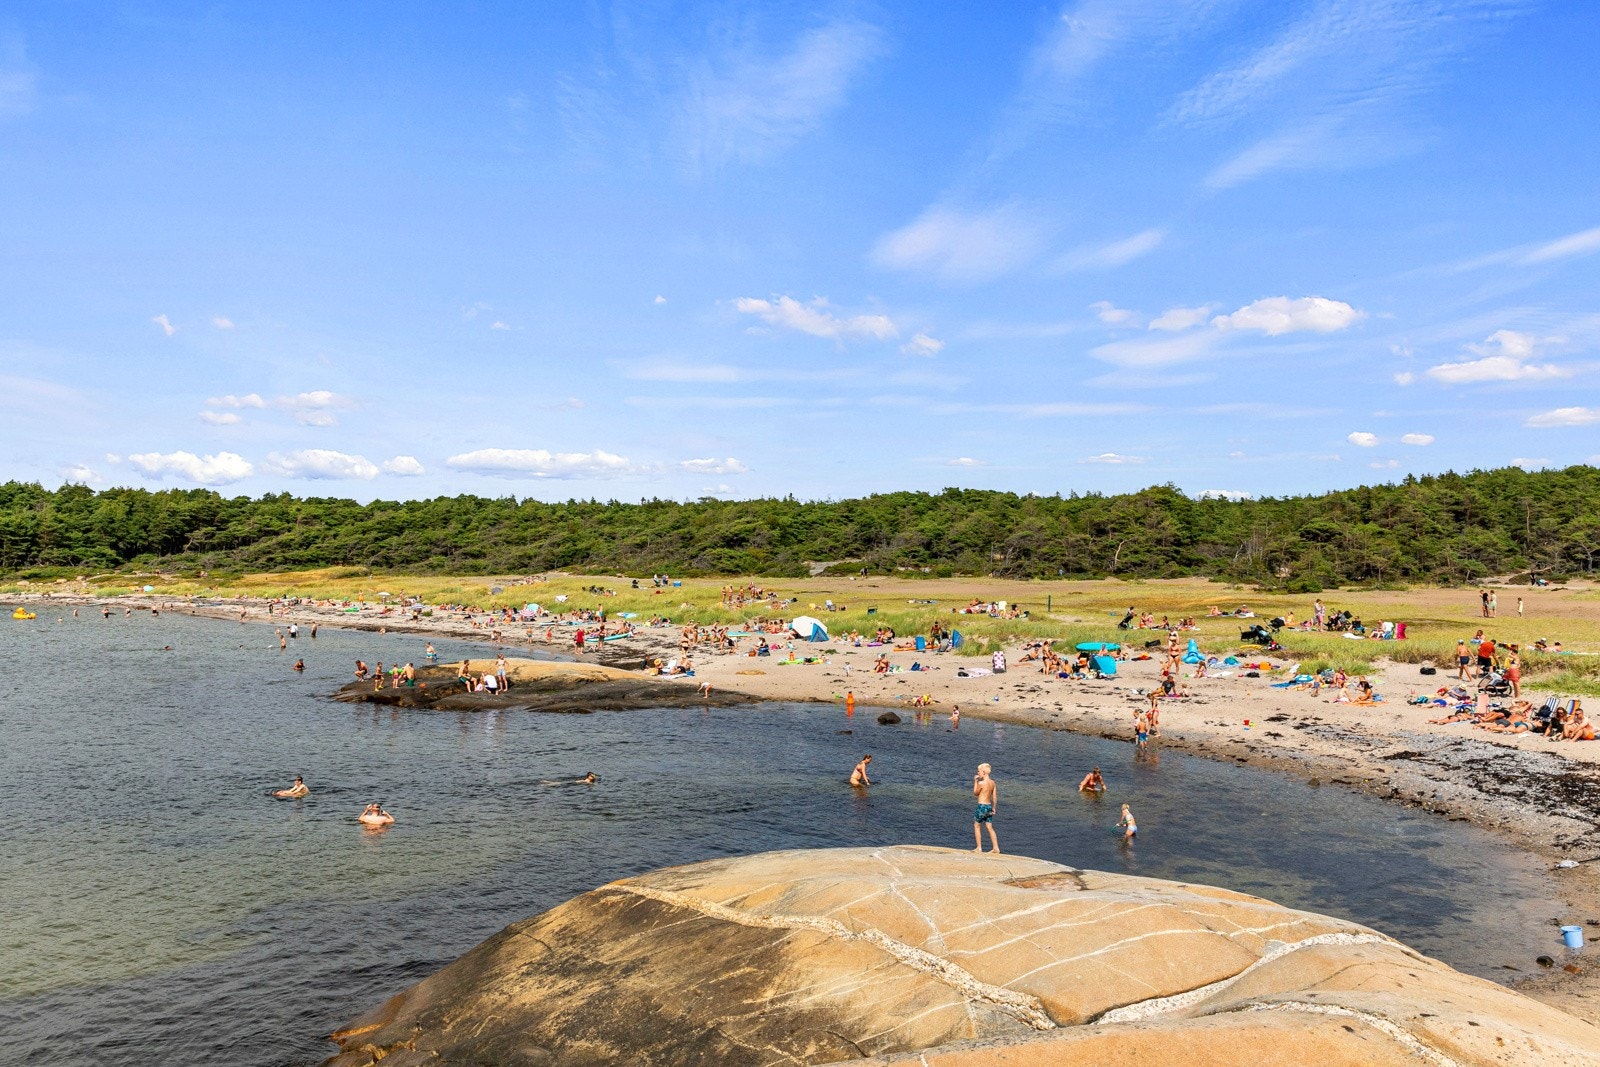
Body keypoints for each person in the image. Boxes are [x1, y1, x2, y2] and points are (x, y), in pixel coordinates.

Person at [972, 763, 999, 853]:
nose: (978, 773)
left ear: (983, 772)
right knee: (989, 827)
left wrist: (975, 781)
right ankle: (996, 848)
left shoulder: (981, 783)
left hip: (982, 806)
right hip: (988, 806)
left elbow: (975, 793)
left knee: (976, 826)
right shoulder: (992, 783)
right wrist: (994, 807)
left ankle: (979, 848)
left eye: (978, 771)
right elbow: (994, 797)